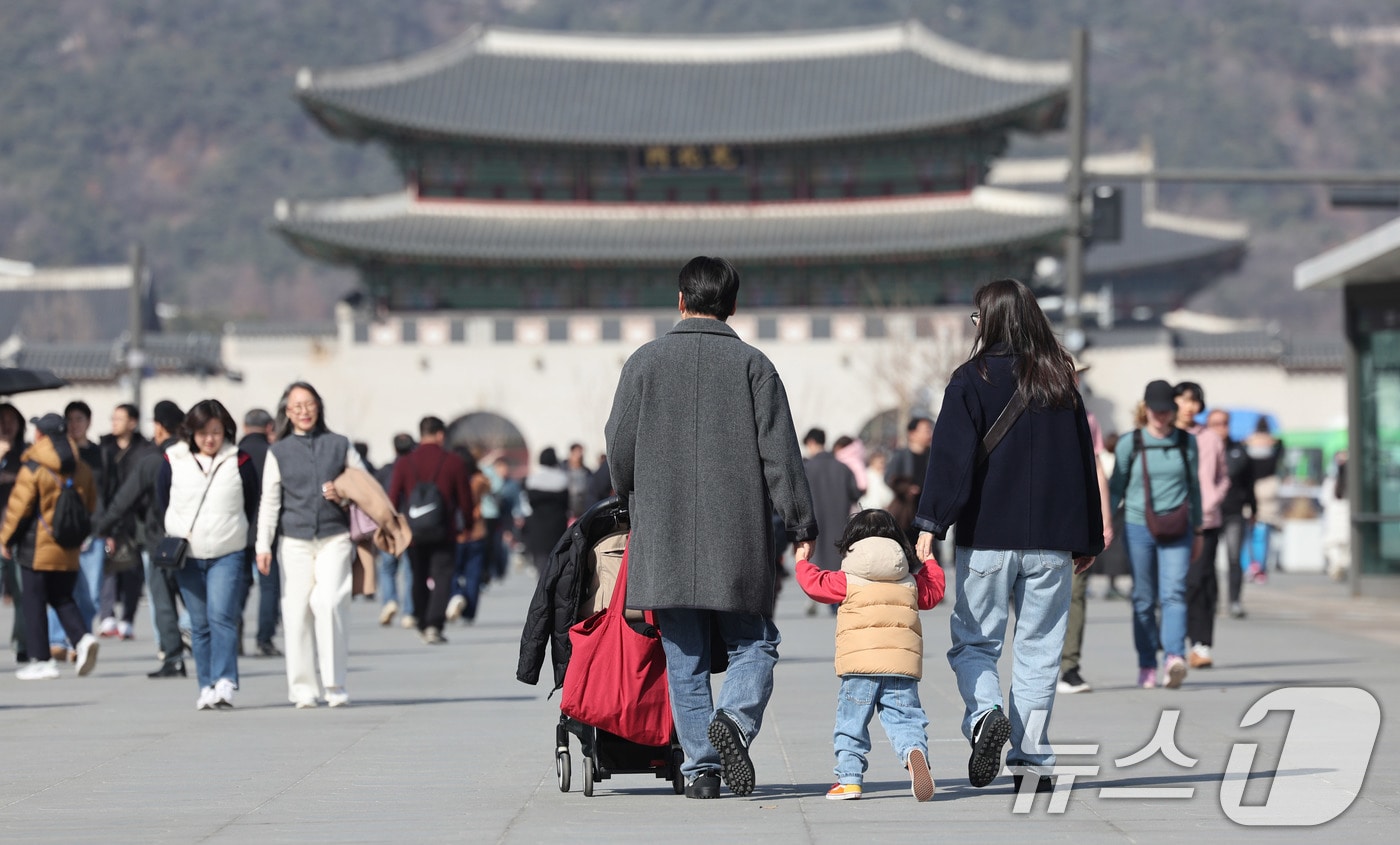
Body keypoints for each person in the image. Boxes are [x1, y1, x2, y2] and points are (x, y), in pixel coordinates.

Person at [605, 255, 817, 799]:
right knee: (755, 642)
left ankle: (701, 770)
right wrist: (800, 522)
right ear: (733, 305)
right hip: (737, 535)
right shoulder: (754, 365)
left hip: (665, 532)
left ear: (681, 301)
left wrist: (629, 494)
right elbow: (780, 455)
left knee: (685, 655)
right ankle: (736, 721)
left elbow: (619, 446)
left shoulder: (644, 362)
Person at [914, 278, 1103, 794]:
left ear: (991, 321)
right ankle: (1033, 761)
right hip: (1052, 543)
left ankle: (984, 716)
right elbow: (1082, 463)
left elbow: (950, 460)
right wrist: (1087, 537)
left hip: (988, 537)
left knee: (975, 642)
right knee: (1039, 649)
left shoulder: (970, 378)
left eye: (977, 317)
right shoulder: (1060, 380)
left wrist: (930, 522)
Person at [795, 509, 945, 802]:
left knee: (851, 724)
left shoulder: (847, 580)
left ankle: (849, 779)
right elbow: (934, 593)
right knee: (905, 718)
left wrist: (802, 561)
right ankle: (914, 750)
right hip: (901, 667)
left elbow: (815, 585)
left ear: (851, 541)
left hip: (859, 668)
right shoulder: (910, 582)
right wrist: (929, 561)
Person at [255, 382, 367, 708]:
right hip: (294, 541)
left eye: (309, 404)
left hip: (335, 536)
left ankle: (335, 684)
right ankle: (303, 688)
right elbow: (269, 502)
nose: (304, 411)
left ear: (319, 406)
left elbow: (365, 485)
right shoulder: (278, 452)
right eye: (297, 406)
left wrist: (342, 493)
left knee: (330, 602)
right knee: (296, 612)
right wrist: (263, 545)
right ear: (287, 413)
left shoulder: (340, 444)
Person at [157, 400, 259, 709]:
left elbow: (251, 501)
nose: (210, 439)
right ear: (191, 432)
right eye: (202, 432)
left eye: (216, 431)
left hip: (227, 552)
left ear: (226, 431)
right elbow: (162, 499)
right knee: (199, 623)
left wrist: (238, 532)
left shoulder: (239, 460)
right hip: (187, 554)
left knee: (222, 616)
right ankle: (206, 685)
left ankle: (225, 680)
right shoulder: (173, 459)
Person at [1109, 380, 1203, 691]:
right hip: (1138, 526)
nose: (1161, 416)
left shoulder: (1186, 442)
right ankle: (1147, 662)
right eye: (1155, 410)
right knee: (1143, 598)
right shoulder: (1131, 442)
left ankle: (1174, 657)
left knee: (1174, 592)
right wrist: (1103, 524)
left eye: (1166, 410)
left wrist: (1198, 529)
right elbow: (1116, 488)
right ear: (1145, 409)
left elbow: (1194, 487)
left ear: (1173, 410)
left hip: (1178, 526)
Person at [0, 413, 100, 680]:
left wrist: (6, 539)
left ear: (41, 435)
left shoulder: (34, 467)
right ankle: (82, 638)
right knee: (62, 597)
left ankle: (42, 660)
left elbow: (19, 508)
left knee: (33, 601)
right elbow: (90, 505)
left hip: (36, 547)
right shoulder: (81, 467)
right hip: (68, 546)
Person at [94, 400, 189, 678]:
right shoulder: (192, 457)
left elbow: (123, 501)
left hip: (160, 541)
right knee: (196, 599)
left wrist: (102, 528)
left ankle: (173, 657)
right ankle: (208, 649)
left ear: (159, 427)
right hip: (194, 539)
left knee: (163, 600)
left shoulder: (152, 460)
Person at [387, 416, 473, 644]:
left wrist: (394, 528)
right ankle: (434, 624)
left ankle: (422, 620)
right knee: (442, 576)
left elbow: (393, 498)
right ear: (440, 434)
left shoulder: (405, 462)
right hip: (444, 531)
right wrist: (467, 524)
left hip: (414, 533)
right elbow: (465, 499)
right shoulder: (454, 462)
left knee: (418, 575)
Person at [1058, 359, 1114, 695]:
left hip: (1076, 517)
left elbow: (1096, 469)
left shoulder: (1087, 418)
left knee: (1076, 593)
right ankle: (1040, 664)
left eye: (1077, 375)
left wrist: (1105, 519)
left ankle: (1069, 667)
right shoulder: (1028, 411)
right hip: (1037, 521)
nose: (1074, 380)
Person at [1177, 386, 1229, 671]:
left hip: (1206, 521)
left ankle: (1200, 644)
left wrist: (1211, 500)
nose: (1189, 406)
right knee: (1175, 583)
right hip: (1170, 520)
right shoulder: (1165, 435)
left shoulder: (1210, 438)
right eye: (1184, 399)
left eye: (1195, 401)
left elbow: (1223, 477)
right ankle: (1174, 642)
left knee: (1200, 580)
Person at [97, 403, 150, 640]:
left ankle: (127, 618)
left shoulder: (144, 449)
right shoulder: (104, 448)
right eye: (113, 418)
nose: (114, 423)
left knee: (132, 569)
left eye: (120, 418)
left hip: (136, 518)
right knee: (107, 564)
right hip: (109, 514)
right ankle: (107, 615)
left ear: (132, 422)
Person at [801, 428, 862, 615]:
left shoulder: (805, 468)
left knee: (815, 560)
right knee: (837, 560)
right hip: (839, 521)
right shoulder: (843, 468)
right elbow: (855, 493)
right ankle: (836, 600)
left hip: (813, 523)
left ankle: (815, 595)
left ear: (811, 443)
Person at [237, 407, 281, 657]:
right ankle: (265, 639)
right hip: (268, 529)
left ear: (244, 427)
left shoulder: (234, 454)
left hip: (238, 529)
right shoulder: (274, 453)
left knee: (239, 583)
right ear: (269, 427)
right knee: (269, 586)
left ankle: (234, 635)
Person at [1215, 411, 1255, 618]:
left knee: (1234, 557)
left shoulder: (1239, 451)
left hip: (1234, 512)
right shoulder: (1202, 448)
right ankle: (1211, 601)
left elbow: (1249, 483)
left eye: (1224, 423)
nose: (1221, 428)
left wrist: (1253, 508)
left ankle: (1234, 600)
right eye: (1216, 424)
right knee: (1207, 559)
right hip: (1210, 512)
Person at [375, 433, 416, 628]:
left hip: (389, 522)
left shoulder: (384, 471)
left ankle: (389, 600)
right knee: (409, 570)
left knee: (387, 567)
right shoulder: (415, 468)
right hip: (410, 523)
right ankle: (408, 611)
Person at [446, 446, 490, 624]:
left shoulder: (453, 479)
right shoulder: (479, 479)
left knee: (451, 569)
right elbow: (490, 486)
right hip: (477, 530)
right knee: (473, 573)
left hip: (456, 531)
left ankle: (457, 594)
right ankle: (469, 611)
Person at [0, 403, 29, 662]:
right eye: (1, 420)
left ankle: (22, 643)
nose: (6, 426)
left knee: (22, 591)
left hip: (17, 533)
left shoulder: (27, 453)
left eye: (11, 420)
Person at [1244, 418, 1283, 583]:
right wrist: (1272, 441)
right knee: (1262, 535)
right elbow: (1281, 447)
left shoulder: (1247, 447)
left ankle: (1250, 567)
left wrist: (1249, 441)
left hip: (1250, 492)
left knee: (1247, 536)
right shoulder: (1272, 448)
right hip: (1266, 496)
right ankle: (1259, 568)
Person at [521, 448, 569, 574]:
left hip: (538, 524)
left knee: (541, 560)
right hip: (557, 524)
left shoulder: (533, 480)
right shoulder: (562, 479)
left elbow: (528, 504)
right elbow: (566, 504)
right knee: (556, 558)